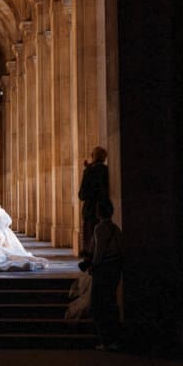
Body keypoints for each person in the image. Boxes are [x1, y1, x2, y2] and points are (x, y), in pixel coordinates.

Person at [80, 199, 123, 350]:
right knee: (110, 303)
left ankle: (105, 340)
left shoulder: (99, 228)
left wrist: (92, 265)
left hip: (104, 269)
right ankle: (115, 340)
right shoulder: (116, 228)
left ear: (99, 213)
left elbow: (99, 252)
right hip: (115, 268)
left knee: (98, 305)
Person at [78, 146, 109, 256]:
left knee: (90, 239)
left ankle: (90, 261)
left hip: (90, 210)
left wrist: (88, 168)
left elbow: (82, 195)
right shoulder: (107, 171)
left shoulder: (89, 171)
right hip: (104, 210)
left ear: (93, 156)